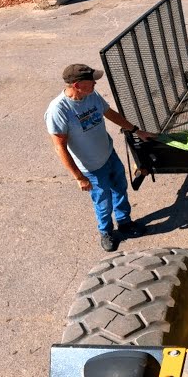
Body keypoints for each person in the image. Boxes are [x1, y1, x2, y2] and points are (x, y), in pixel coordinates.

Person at [46, 63, 154, 252]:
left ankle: (125, 223)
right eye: (91, 81)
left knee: (120, 189)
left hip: (109, 154)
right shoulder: (59, 110)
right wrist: (79, 177)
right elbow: (59, 147)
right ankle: (106, 232)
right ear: (77, 85)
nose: (95, 83)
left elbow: (109, 113)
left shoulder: (91, 96)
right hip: (91, 167)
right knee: (102, 201)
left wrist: (136, 130)